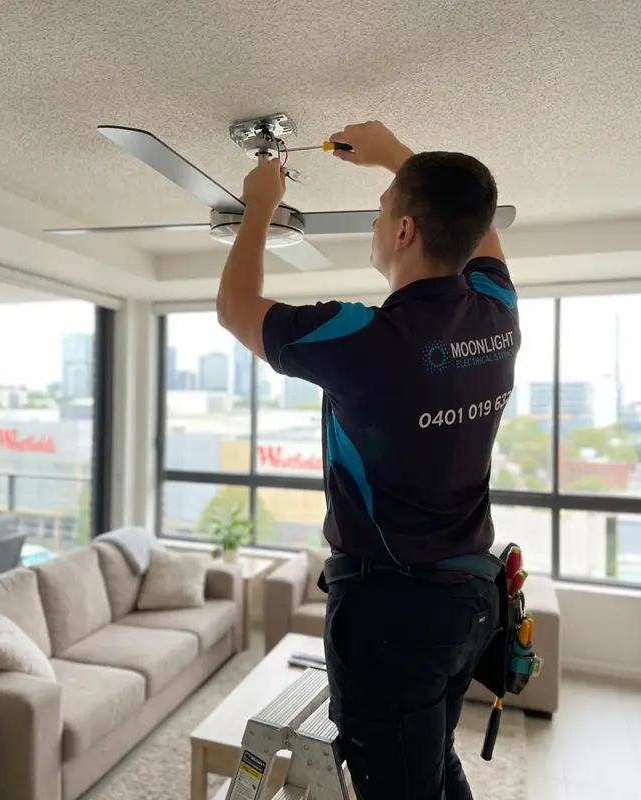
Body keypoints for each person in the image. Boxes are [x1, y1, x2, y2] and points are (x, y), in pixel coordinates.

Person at [216, 120, 519, 799]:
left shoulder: (365, 338)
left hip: (392, 614)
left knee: (403, 784)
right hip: (469, 603)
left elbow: (235, 309)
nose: (376, 226)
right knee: (433, 762)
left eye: (383, 213)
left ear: (405, 231)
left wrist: (258, 208)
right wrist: (398, 161)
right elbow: (481, 233)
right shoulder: (498, 316)